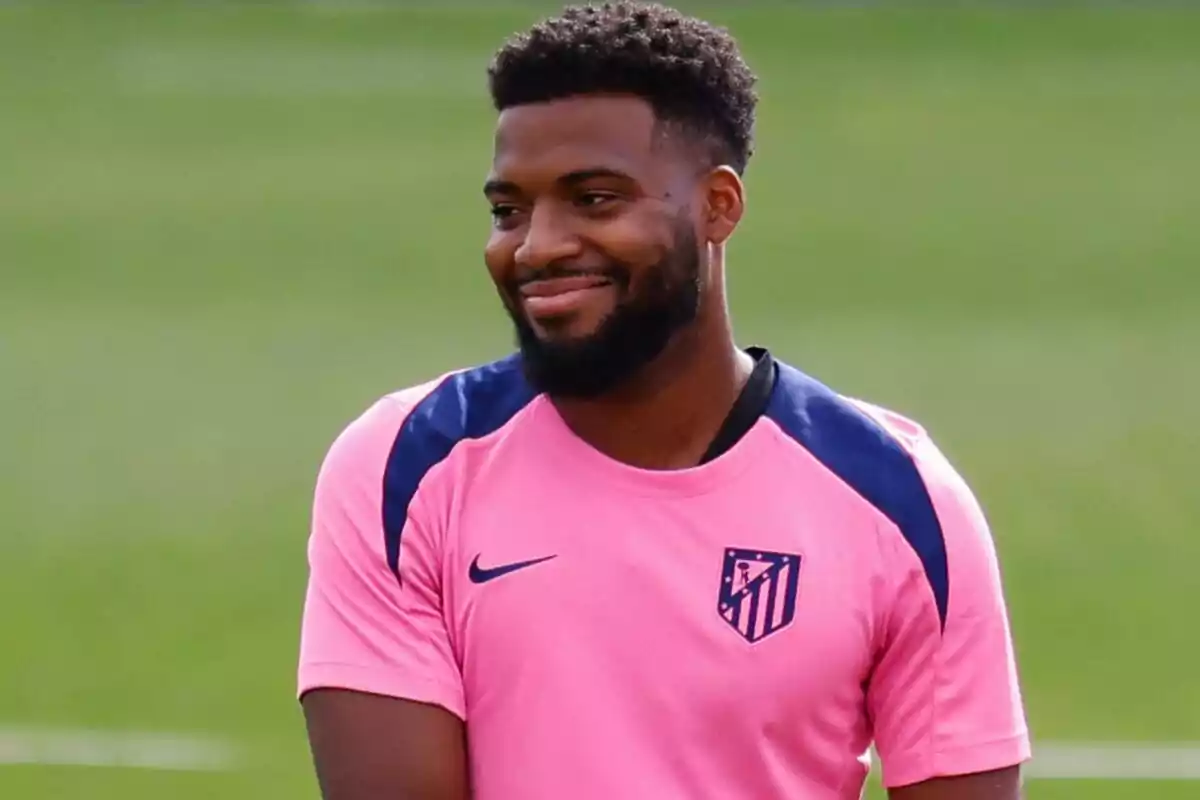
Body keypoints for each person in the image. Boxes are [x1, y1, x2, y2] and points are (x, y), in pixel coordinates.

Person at [296, 3, 1031, 799]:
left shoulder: (899, 500)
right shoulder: (405, 464)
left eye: (596, 199)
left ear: (719, 206)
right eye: (509, 210)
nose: (537, 245)